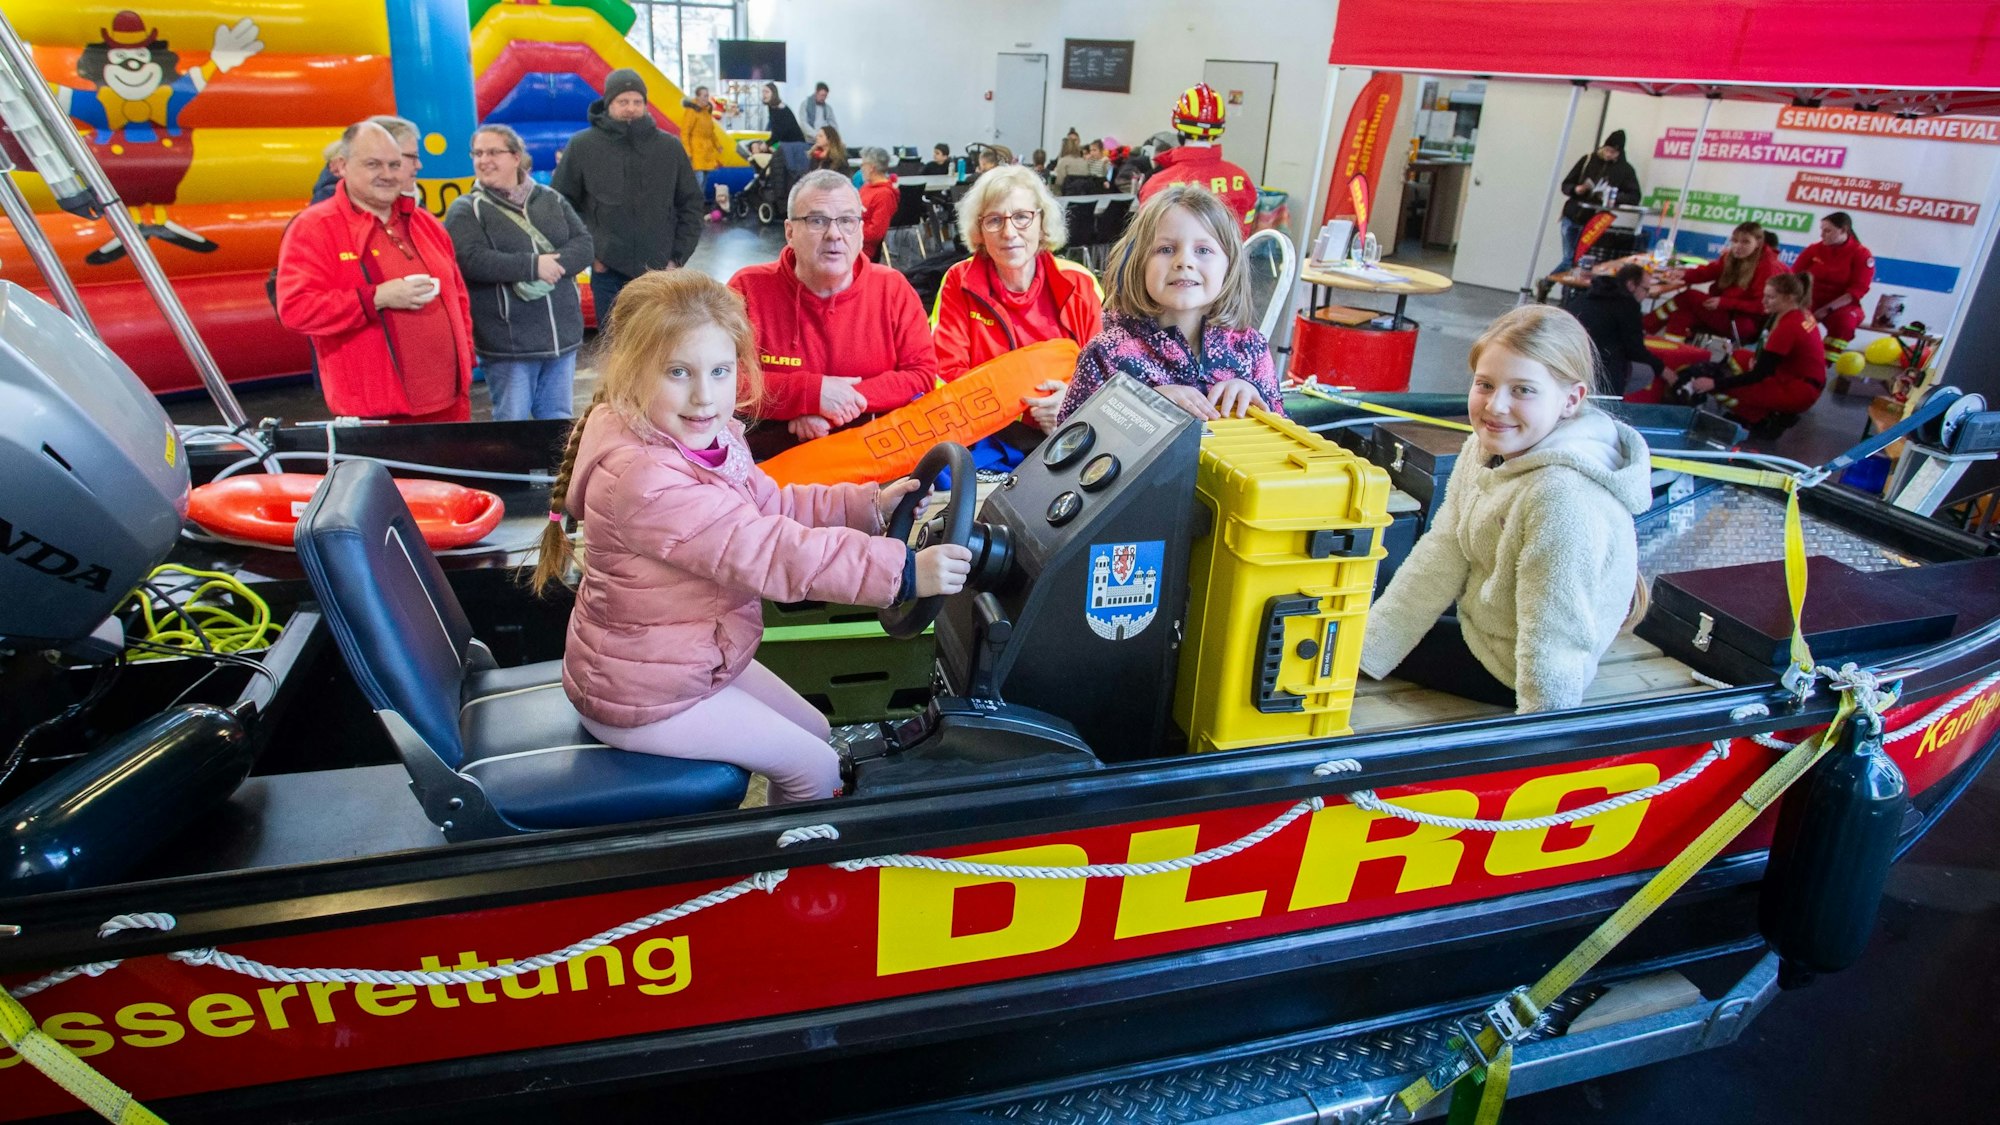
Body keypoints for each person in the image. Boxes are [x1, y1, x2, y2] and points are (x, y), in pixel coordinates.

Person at [529, 270, 971, 804]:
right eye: (677, 372)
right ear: (633, 372)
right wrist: (901, 573)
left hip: (689, 661)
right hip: (646, 694)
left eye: (719, 371)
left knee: (815, 730)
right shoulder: (644, 480)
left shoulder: (706, 440)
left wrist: (868, 507)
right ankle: (789, 879)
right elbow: (766, 550)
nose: (704, 396)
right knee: (816, 769)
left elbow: (771, 506)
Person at [1359, 306, 1653, 714]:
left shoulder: (1562, 495)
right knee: (1356, 633)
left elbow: (1556, 631)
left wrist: (1536, 732)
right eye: (1485, 384)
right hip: (1486, 626)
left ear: (1571, 399)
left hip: (1516, 671)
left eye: (1523, 390)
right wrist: (1371, 649)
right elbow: (1442, 552)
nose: (1495, 406)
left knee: (1341, 640)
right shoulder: (1484, 449)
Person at [727, 170, 941, 456]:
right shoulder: (747, 288)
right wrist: (811, 394)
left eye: (847, 221)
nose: (834, 234)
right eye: (817, 220)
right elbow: (726, 380)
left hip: (873, 456)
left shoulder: (893, 288)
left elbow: (921, 373)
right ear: (789, 231)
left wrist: (838, 403)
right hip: (771, 463)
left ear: (862, 230)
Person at [276, 122, 474, 422]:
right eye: (373, 164)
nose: (387, 174)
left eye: (395, 164)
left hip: (451, 404)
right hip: (378, 415)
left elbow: (459, 298)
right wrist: (375, 298)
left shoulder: (426, 223)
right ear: (340, 166)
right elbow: (296, 309)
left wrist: (466, 359)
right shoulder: (314, 227)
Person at [1057, 183, 1281, 425]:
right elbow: (1069, 443)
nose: (1184, 261)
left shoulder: (1251, 348)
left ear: (1230, 265)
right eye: (1166, 249)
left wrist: (1256, 397)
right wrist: (1142, 406)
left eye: (1203, 249)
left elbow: (1283, 432)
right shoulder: (1105, 353)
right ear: (1138, 263)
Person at [933, 164, 1103, 432]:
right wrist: (1021, 413)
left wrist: (1073, 403)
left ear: (1042, 222)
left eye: (1022, 217)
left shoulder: (1079, 282)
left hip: (1070, 428)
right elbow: (947, 376)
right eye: (994, 220)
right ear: (979, 229)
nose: (1009, 232)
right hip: (987, 433)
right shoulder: (959, 280)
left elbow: (1106, 372)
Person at [444, 124, 594, 421]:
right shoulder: (466, 209)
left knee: (558, 423)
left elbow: (584, 244)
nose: (484, 160)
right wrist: (533, 266)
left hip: (560, 339)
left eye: (493, 152)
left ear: (515, 157)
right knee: (511, 423)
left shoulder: (551, 198)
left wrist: (556, 264)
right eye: (478, 153)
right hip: (509, 344)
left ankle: (554, 471)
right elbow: (471, 260)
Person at [552, 68, 703, 329]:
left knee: (657, 349)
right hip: (607, 270)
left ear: (645, 105)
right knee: (615, 350)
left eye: (637, 102)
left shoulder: (669, 147)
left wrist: (676, 259)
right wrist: (592, 254)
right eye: (623, 102)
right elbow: (560, 204)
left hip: (659, 272)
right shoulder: (582, 146)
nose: (631, 108)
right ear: (609, 103)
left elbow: (691, 204)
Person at [1684, 273, 1827, 434]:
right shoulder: (1802, 313)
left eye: (1771, 297)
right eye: (1765, 296)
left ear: (1789, 298)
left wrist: (1715, 383)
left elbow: (1759, 375)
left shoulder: (1787, 327)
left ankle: (1761, 419)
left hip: (1798, 391)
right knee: (1741, 356)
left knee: (1732, 389)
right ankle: (1767, 410)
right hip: (1804, 380)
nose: (1764, 301)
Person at [1138, 84, 1257, 235]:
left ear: (1179, 127)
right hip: (1233, 258)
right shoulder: (1241, 178)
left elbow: (1146, 240)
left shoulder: (1158, 184)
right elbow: (1246, 233)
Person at [1644, 221, 1784, 343]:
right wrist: (1684, 274)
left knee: (1689, 296)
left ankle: (1643, 328)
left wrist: (1724, 302)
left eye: (1745, 242)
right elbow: (1708, 272)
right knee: (1681, 314)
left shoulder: (1767, 266)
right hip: (1722, 312)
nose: (1738, 246)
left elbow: (1762, 306)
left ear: (1758, 243)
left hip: (1742, 322)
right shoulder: (1730, 257)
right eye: (1734, 241)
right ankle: (1671, 358)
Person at [1562, 262, 1662, 395]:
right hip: (1597, 367)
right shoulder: (1627, 305)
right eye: (1646, 289)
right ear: (1631, 285)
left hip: (1567, 359)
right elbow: (1636, 351)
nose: (1646, 295)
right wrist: (1662, 369)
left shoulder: (1589, 294)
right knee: (1646, 372)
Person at [1790, 212, 1875, 352]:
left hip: (1842, 304)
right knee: (1793, 318)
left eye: (1827, 231)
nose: (1822, 235)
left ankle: (1824, 363)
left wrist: (1827, 309)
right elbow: (1794, 276)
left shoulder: (1861, 254)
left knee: (1845, 323)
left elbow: (1858, 290)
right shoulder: (1814, 249)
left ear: (1843, 230)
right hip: (1810, 299)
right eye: (1822, 230)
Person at [1556, 131, 1641, 271]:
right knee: (1571, 258)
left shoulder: (1625, 170)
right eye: (1607, 150)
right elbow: (1566, 184)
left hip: (1595, 221)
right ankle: (1548, 283)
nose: (1608, 154)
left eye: (1613, 152)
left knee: (1575, 259)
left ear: (1619, 152)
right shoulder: (1588, 160)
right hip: (1572, 214)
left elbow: (1635, 196)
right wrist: (1576, 189)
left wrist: (1613, 196)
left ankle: (1548, 283)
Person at [678, 85, 730, 219]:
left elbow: (711, 132)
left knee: (704, 182)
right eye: (704, 96)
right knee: (698, 182)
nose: (707, 98)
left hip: (706, 152)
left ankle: (697, 210)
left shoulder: (706, 111)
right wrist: (688, 151)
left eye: (707, 95)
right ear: (698, 97)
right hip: (696, 152)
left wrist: (717, 145)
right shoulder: (691, 111)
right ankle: (693, 210)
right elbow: (685, 133)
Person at [857, 146, 898, 262]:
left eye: (863, 164)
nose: (861, 168)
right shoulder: (867, 187)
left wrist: (849, 230)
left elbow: (875, 234)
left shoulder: (884, 195)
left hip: (863, 249)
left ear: (871, 168)